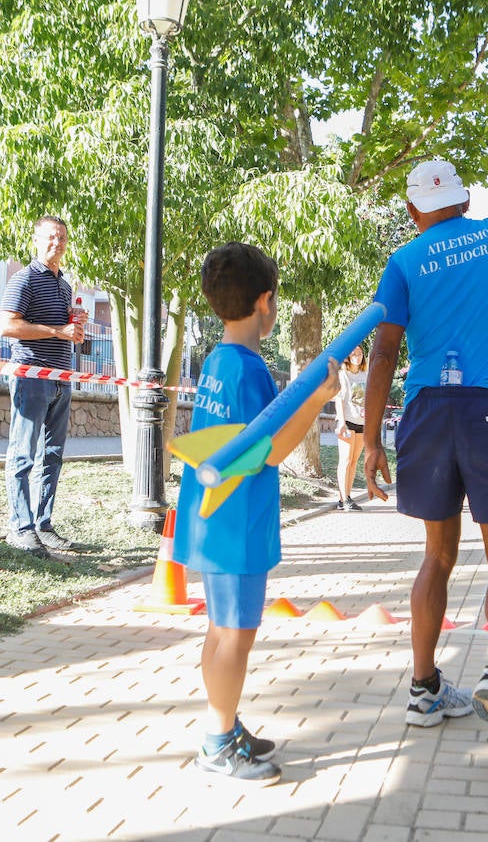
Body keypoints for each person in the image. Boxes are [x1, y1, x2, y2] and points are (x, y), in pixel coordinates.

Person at [363, 144, 488, 755]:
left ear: (415, 210)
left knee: (436, 558)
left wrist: (369, 438)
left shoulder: (404, 260)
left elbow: (384, 352)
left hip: (427, 413)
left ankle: (423, 690)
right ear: (464, 200)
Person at [175, 242, 338, 784]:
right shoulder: (245, 369)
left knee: (223, 630)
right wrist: (318, 400)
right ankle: (218, 743)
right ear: (265, 302)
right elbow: (267, 450)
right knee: (235, 635)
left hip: (216, 519)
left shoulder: (218, 361)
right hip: (236, 522)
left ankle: (222, 726)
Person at [0, 216, 86, 557]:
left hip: (62, 379)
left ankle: (42, 525)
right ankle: (20, 528)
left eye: (62, 237)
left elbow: (61, 328)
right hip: (32, 377)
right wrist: (56, 331)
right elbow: (7, 326)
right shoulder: (24, 279)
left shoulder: (64, 285)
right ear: (37, 240)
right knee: (22, 455)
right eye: (51, 237)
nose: (57, 243)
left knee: (52, 456)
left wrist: (73, 328)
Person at [334, 343, 368, 511]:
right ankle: (343, 498)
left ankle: (346, 497)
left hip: (362, 422)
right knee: (345, 460)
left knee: (353, 461)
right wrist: (341, 422)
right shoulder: (343, 374)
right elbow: (339, 399)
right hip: (346, 422)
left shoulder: (365, 373)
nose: (357, 356)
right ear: (348, 357)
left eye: (360, 353)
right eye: (353, 353)